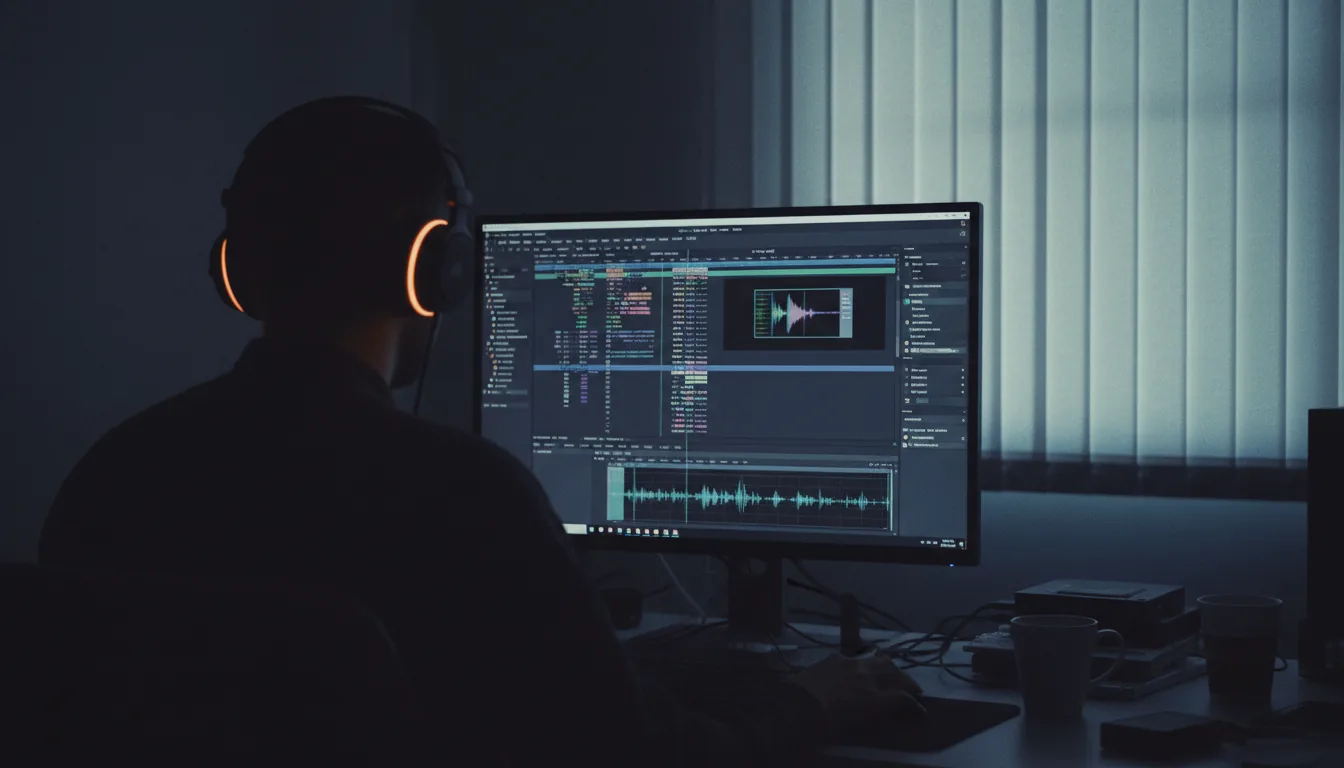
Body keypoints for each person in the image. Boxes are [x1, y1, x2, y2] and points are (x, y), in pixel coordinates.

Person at [38, 97, 922, 766]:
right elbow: (629, 754)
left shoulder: (115, 471)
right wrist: (814, 703)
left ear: (237, 269)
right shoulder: (464, 495)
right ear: (438, 266)